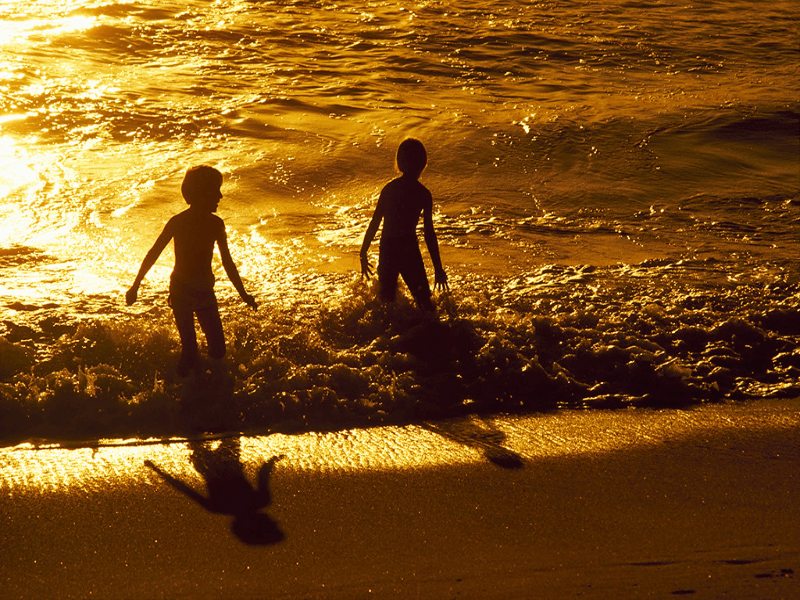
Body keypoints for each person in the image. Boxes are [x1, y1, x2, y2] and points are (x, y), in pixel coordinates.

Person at [126, 165, 257, 376]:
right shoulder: (178, 222)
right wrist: (135, 286)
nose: (220, 196)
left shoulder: (216, 224)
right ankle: (178, 390)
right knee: (190, 349)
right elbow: (153, 253)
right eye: (215, 190)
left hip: (206, 292)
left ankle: (209, 386)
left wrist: (244, 295)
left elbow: (227, 262)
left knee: (218, 351)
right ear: (200, 192)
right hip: (181, 292)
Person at [360, 138, 448, 311]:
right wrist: (438, 268)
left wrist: (363, 251)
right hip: (409, 248)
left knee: (386, 303)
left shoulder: (389, 189)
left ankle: (385, 336)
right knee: (424, 303)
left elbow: (375, 223)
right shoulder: (423, 194)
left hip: (388, 248)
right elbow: (429, 234)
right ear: (423, 164)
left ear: (399, 163)